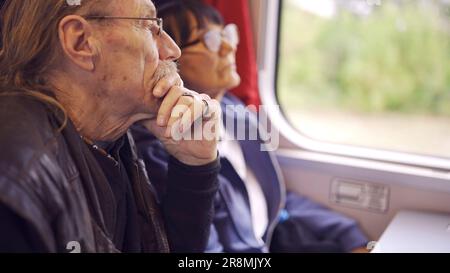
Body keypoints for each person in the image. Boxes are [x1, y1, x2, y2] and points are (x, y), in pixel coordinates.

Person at [134, 0, 369, 253]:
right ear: (171, 57)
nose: (228, 46)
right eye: (211, 39)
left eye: (228, 34)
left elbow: (274, 202)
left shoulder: (236, 113)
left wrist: (349, 237)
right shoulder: (165, 145)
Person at [0, 0, 221, 253]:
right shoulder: (17, 170)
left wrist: (194, 165)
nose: (172, 50)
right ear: (80, 42)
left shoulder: (114, 141)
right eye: (150, 26)